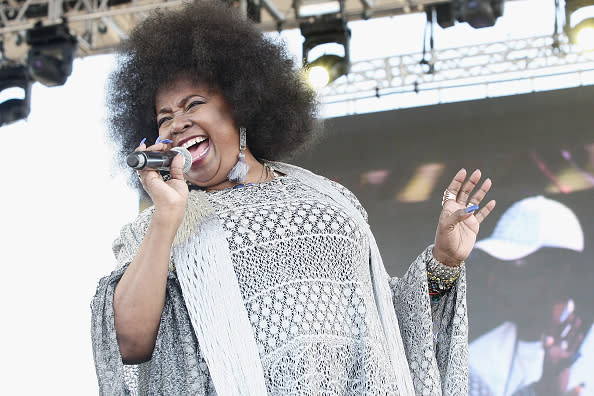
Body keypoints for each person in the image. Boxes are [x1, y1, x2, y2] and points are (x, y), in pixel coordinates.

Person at [90, 1, 496, 395]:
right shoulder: (160, 224)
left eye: (193, 104)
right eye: (165, 118)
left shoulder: (330, 197)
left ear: (241, 104)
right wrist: (168, 215)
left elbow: (382, 324)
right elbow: (128, 342)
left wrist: (444, 262)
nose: (178, 123)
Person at [467, 196, 591, 396]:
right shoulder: (478, 361)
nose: (495, 282)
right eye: (494, 267)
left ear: (562, 273)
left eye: (514, 268)